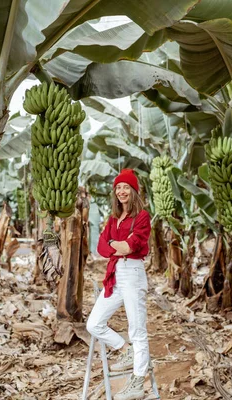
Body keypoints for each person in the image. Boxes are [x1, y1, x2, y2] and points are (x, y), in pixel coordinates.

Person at [86, 169, 152, 400]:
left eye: (126, 187)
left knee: (137, 330)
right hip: (115, 275)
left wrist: (115, 244)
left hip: (133, 274)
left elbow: (130, 247)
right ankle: (125, 350)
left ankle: (137, 382)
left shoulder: (142, 216)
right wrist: (117, 243)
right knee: (94, 323)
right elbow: (101, 248)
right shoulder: (114, 219)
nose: (121, 191)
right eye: (118, 188)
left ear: (133, 191)